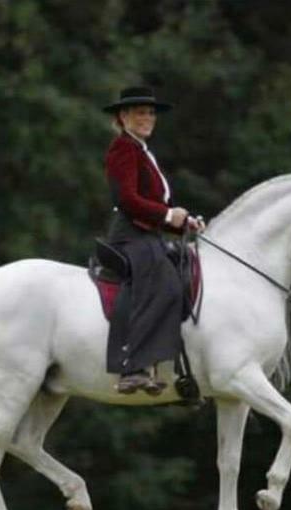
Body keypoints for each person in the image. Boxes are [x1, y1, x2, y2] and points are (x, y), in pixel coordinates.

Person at [101, 86, 204, 395]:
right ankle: (133, 368)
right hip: (129, 235)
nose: (147, 118)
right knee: (164, 280)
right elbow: (128, 199)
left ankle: (167, 365)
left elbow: (152, 206)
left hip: (146, 232)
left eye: (150, 113)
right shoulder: (124, 148)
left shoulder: (142, 150)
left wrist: (183, 223)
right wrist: (168, 215)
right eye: (139, 113)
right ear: (123, 117)